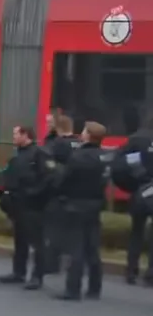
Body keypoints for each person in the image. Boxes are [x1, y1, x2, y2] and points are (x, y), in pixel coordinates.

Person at [53, 121, 110, 301]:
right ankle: (94, 288)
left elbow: (64, 180)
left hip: (76, 204)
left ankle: (73, 289)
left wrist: (60, 193)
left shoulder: (77, 157)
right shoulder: (105, 156)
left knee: (76, 249)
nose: (81, 133)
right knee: (93, 247)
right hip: (96, 204)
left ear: (88, 135)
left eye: (84, 131)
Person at [0, 125, 52, 289]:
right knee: (20, 240)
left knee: (36, 242)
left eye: (15, 134)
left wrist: (34, 193)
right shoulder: (18, 154)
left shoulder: (39, 154)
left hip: (33, 205)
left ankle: (37, 276)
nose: (13, 137)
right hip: (17, 203)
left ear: (25, 135)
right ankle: (18, 272)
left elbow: (49, 178)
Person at [116, 116, 153, 285]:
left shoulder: (136, 139)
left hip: (139, 191)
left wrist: (133, 183)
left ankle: (131, 271)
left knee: (136, 231)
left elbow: (122, 162)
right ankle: (150, 274)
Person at [41, 114, 79, 276]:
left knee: (53, 230)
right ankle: (73, 264)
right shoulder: (79, 142)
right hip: (76, 193)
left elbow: (49, 165)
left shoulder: (57, 144)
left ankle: (51, 264)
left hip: (57, 192)